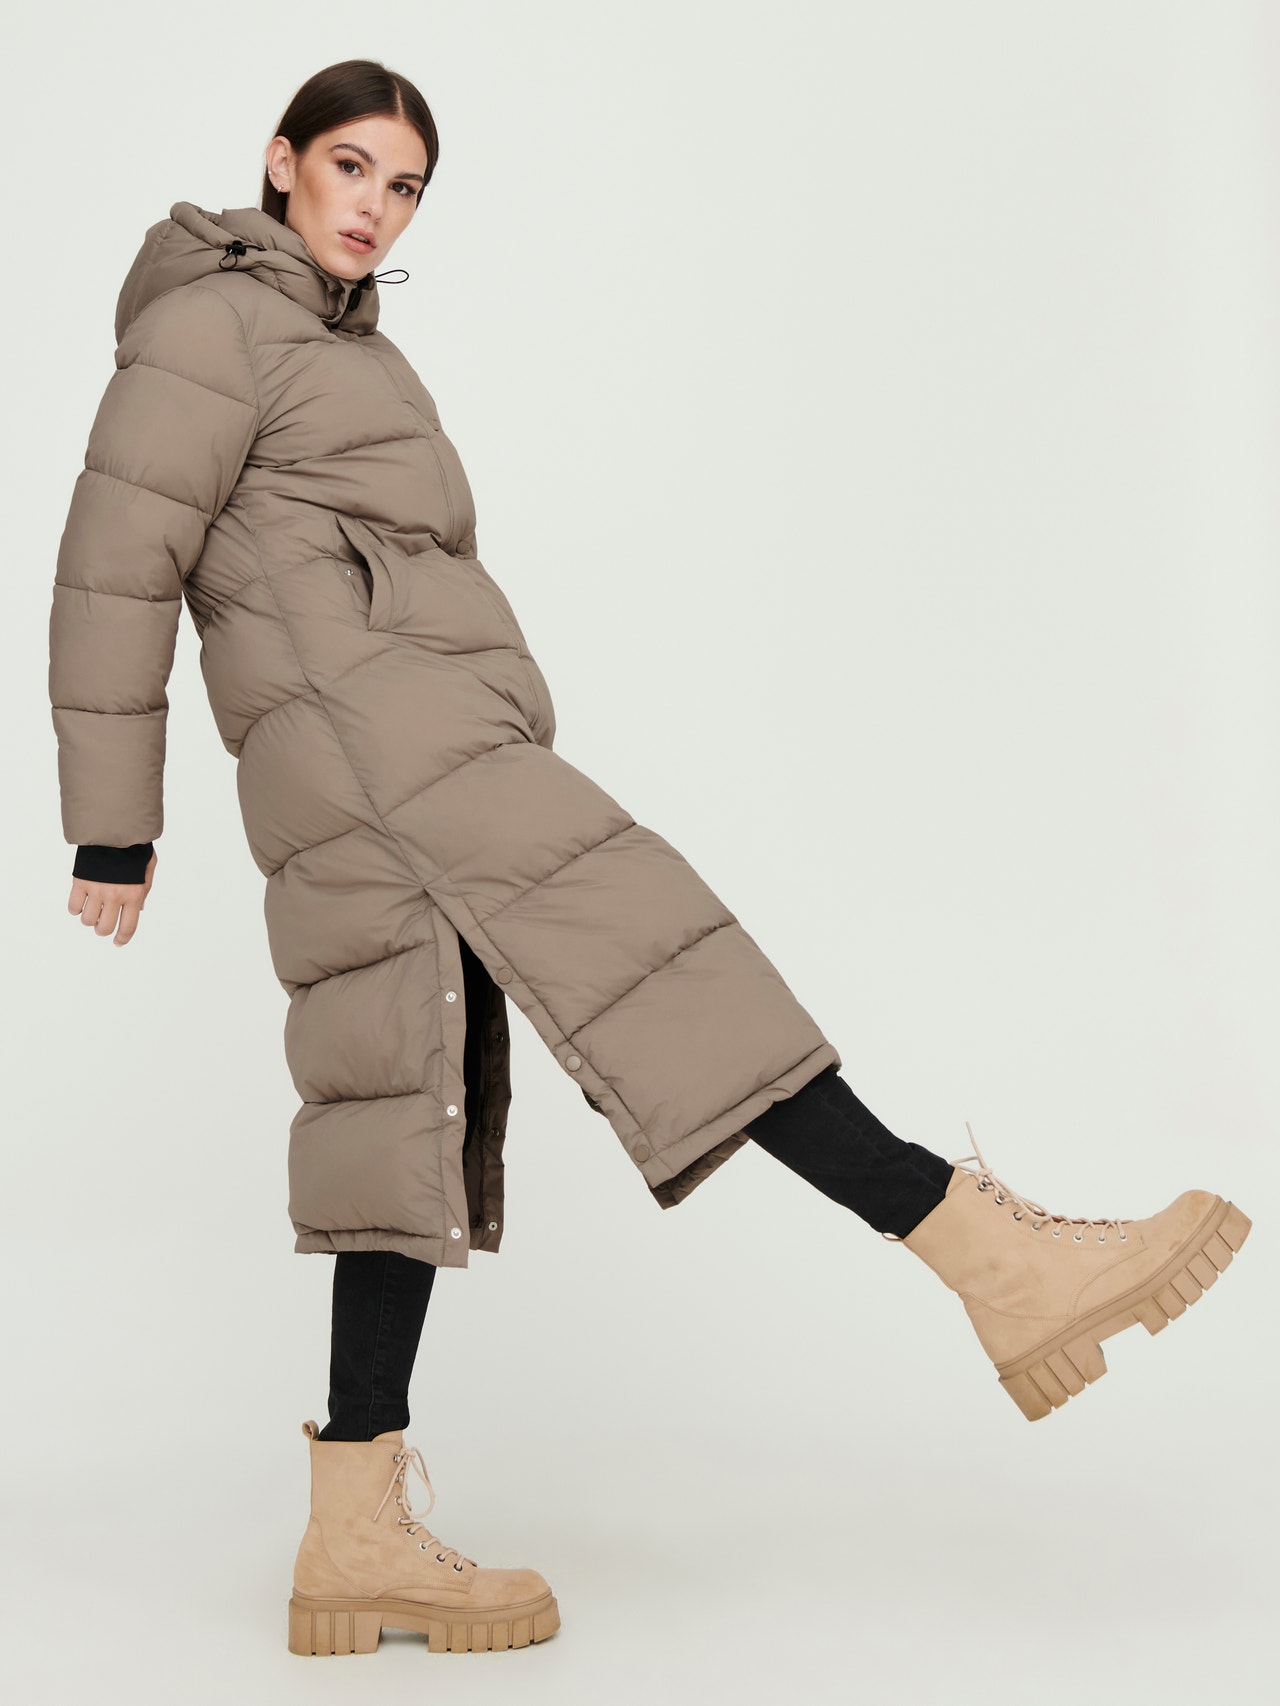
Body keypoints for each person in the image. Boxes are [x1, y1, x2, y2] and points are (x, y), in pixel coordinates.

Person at [50, 57, 1253, 1661]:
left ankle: (353, 1535)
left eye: (404, 187)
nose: (374, 207)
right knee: (655, 950)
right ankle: (982, 1250)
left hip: (405, 744)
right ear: (280, 162)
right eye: (348, 168)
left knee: (399, 1097)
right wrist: (114, 819)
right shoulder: (214, 324)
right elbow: (114, 562)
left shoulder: (343, 344)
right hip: (379, 751)